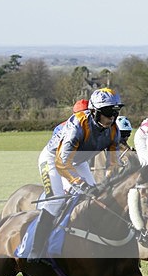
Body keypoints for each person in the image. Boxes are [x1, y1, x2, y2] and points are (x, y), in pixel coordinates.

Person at [28, 87, 123, 262]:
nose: (112, 117)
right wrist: (81, 184)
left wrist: (110, 184)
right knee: (55, 201)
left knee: (96, 199)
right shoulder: (78, 126)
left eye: (115, 112)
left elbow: (113, 164)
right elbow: (62, 164)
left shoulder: (113, 130)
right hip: (53, 159)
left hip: (78, 161)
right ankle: (36, 249)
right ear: (94, 112)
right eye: (108, 112)